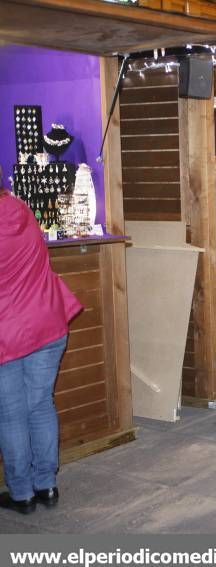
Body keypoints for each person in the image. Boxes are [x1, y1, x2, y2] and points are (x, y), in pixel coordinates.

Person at [0, 186, 82, 514]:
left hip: (7, 331)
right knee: (40, 405)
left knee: (11, 413)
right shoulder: (20, 208)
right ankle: (46, 485)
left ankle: (21, 494)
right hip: (47, 321)